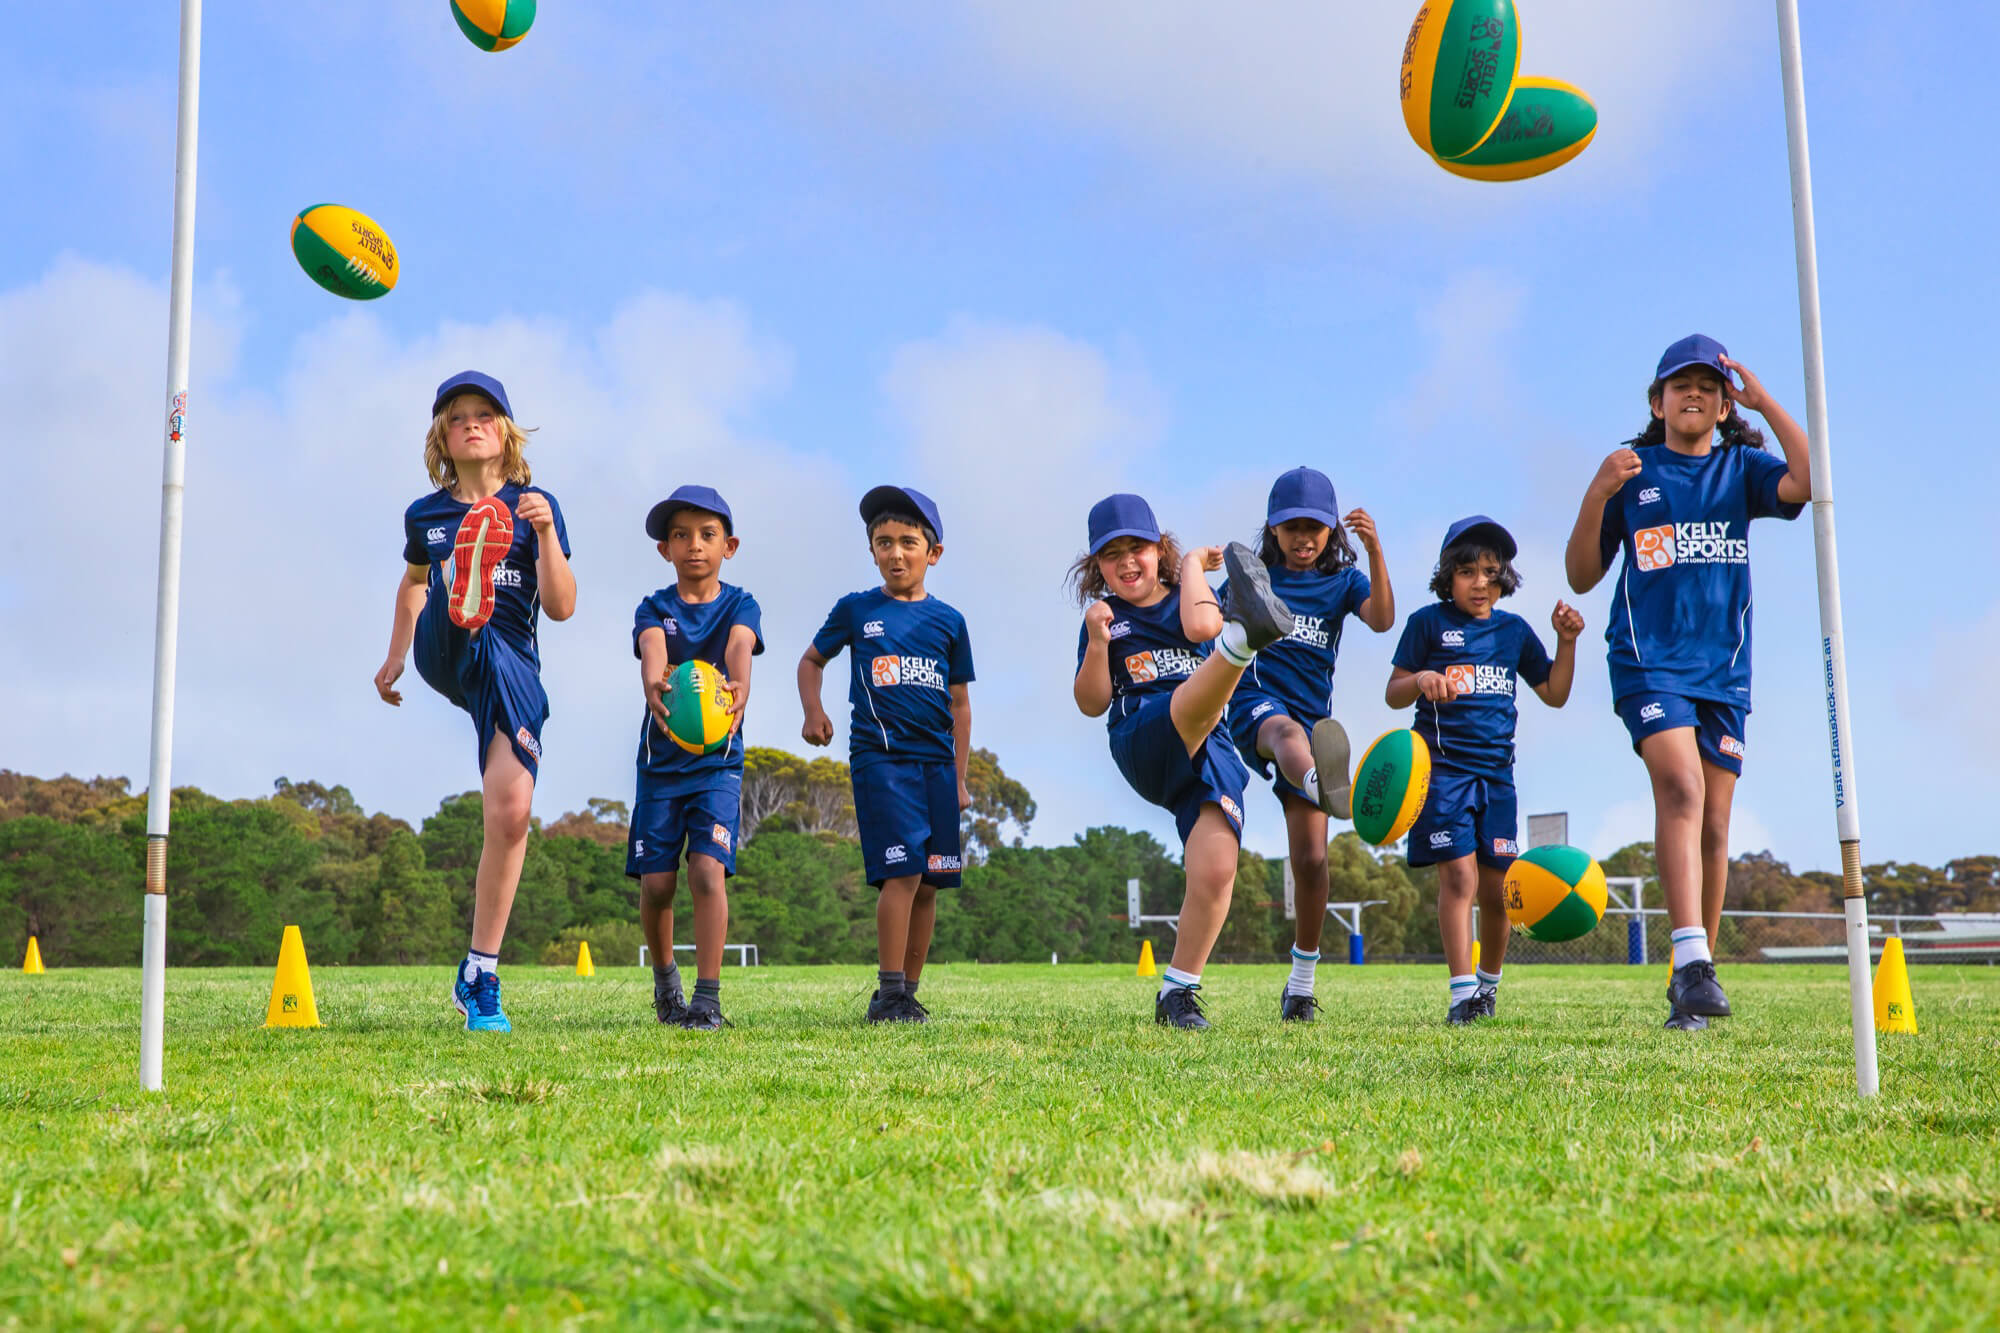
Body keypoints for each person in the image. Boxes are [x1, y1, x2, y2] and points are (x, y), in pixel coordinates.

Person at [1564, 334, 1810, 1030]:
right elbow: (1580, 575)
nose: (1694, 393)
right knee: (1680, 787)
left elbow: (1810, 480)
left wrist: (1766, 403)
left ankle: (1691, 979)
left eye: (1708, 385)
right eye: (1681, 384)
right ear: (1658, 401)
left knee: (1715, 823)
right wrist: (1596, 490)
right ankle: (1695, 961)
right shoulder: (1632, 472)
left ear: (1725, 404)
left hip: (1724, 672)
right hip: (1648, 663)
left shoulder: (1742, 468)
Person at [374, 371, 575, 1033]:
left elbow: (562, 607)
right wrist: (396, 653)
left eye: (483, 414)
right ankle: (465, 582)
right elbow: (412, 582)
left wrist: (545, 534)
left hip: (511, 667)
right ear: (443, 437)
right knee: (457, 606)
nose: (470, 424)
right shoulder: (425, 515)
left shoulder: (537, 505)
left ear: (505, 431)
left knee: (511, 814)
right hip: (445, 648)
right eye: (456, 417)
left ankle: (479, 972)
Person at [1070, 493, 1296, 1030]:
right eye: (1111, 555)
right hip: (1143, 736)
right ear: (1097, 566)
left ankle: (1177, 992)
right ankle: (1246, 643)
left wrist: (1193, 565)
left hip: (1210, 746)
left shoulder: (1189, 594)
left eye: (1138, 549)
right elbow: (1091, 703)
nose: (1126, 562)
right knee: (1183, 702)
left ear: (1160, 549)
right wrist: (1098, 641)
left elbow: (1200, 629)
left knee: (1216, 870)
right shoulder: (1109, 619)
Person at [1387, 517, 1579, 1023]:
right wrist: (1422, 678)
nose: (1480, 583)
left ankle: (1487, 991)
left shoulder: (1513, 632)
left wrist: (1566, 642)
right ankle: (1460, 995)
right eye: (1468, 572)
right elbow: (1393, 692)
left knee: (1498, 893)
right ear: (1448, 575)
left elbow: (1555, 694)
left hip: (1497, 777)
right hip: (1442, 774)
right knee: (1459, 878)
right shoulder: (1427, 624)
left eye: (1491, 573)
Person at [1223, 466, 1396, 1021]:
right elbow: (1205, 623)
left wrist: (1375, 552)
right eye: (1292, 527)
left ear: (1332, 531)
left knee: (1313, 859)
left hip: (1317, 724)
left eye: (1314, 528)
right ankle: (1324, 781)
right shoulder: (1254, 579)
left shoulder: (1343, 582)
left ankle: (1300, 987)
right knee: (1285, 733)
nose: (1303, 538)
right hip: (1256, 706)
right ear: (1273, 529)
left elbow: (1382, 620)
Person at [798, 486, 973, 1024]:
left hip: (937, 766)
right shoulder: (856, 609)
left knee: (930, 882)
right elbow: (811, 661)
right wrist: (813, 711)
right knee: (902, 874)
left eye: (908, 542)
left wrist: (960, 779)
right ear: (872, 550)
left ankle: (907, 995)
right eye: (884, 543)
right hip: (882, 761)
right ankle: (889, 992)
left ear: (933, 553)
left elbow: (960, 704)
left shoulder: (950, 621)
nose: (896, 553)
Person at [628, 485, 761, 1031]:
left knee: (708, 871)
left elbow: (738, 645)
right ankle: (666, 984)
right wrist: (652, 681)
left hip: (717, 766)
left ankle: (707, 1000)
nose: (694, 545)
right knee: (658, 885)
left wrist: (740, 681)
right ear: (665, 549)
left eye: (707, 535)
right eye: (680, 536)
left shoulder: (740, 604)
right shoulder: (654, 607)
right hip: (660, 767)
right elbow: (653, 648)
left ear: (729, 546)